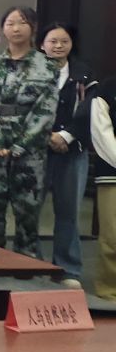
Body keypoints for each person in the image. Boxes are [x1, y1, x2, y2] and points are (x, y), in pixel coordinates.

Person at [0, 7, 58, 258]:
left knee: (27, 210)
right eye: (10, 23)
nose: (16, 28)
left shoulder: (48, 66)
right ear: (3, 28)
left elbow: (46, 110)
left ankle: (26, 262)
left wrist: (22, 144)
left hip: (30, 149)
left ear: (33, 27)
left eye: (22, 22)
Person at [40, 22, 95, 286]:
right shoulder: (32, 71)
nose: (58, 46)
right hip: (36, 149)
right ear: (42, 45)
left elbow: (89, 110)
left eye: (64, 41)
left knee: (69, 211)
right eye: (53, 41)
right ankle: (30, 264)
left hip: (72, 150)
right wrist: (46, 136)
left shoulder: (84, 74)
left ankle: (67, 268)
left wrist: (66, 136)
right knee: (29, 210)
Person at [88, 75, 116, 301]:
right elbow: (101, 131)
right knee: (112, 236)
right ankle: (109, 290)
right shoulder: (107, 88)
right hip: (112, 171)